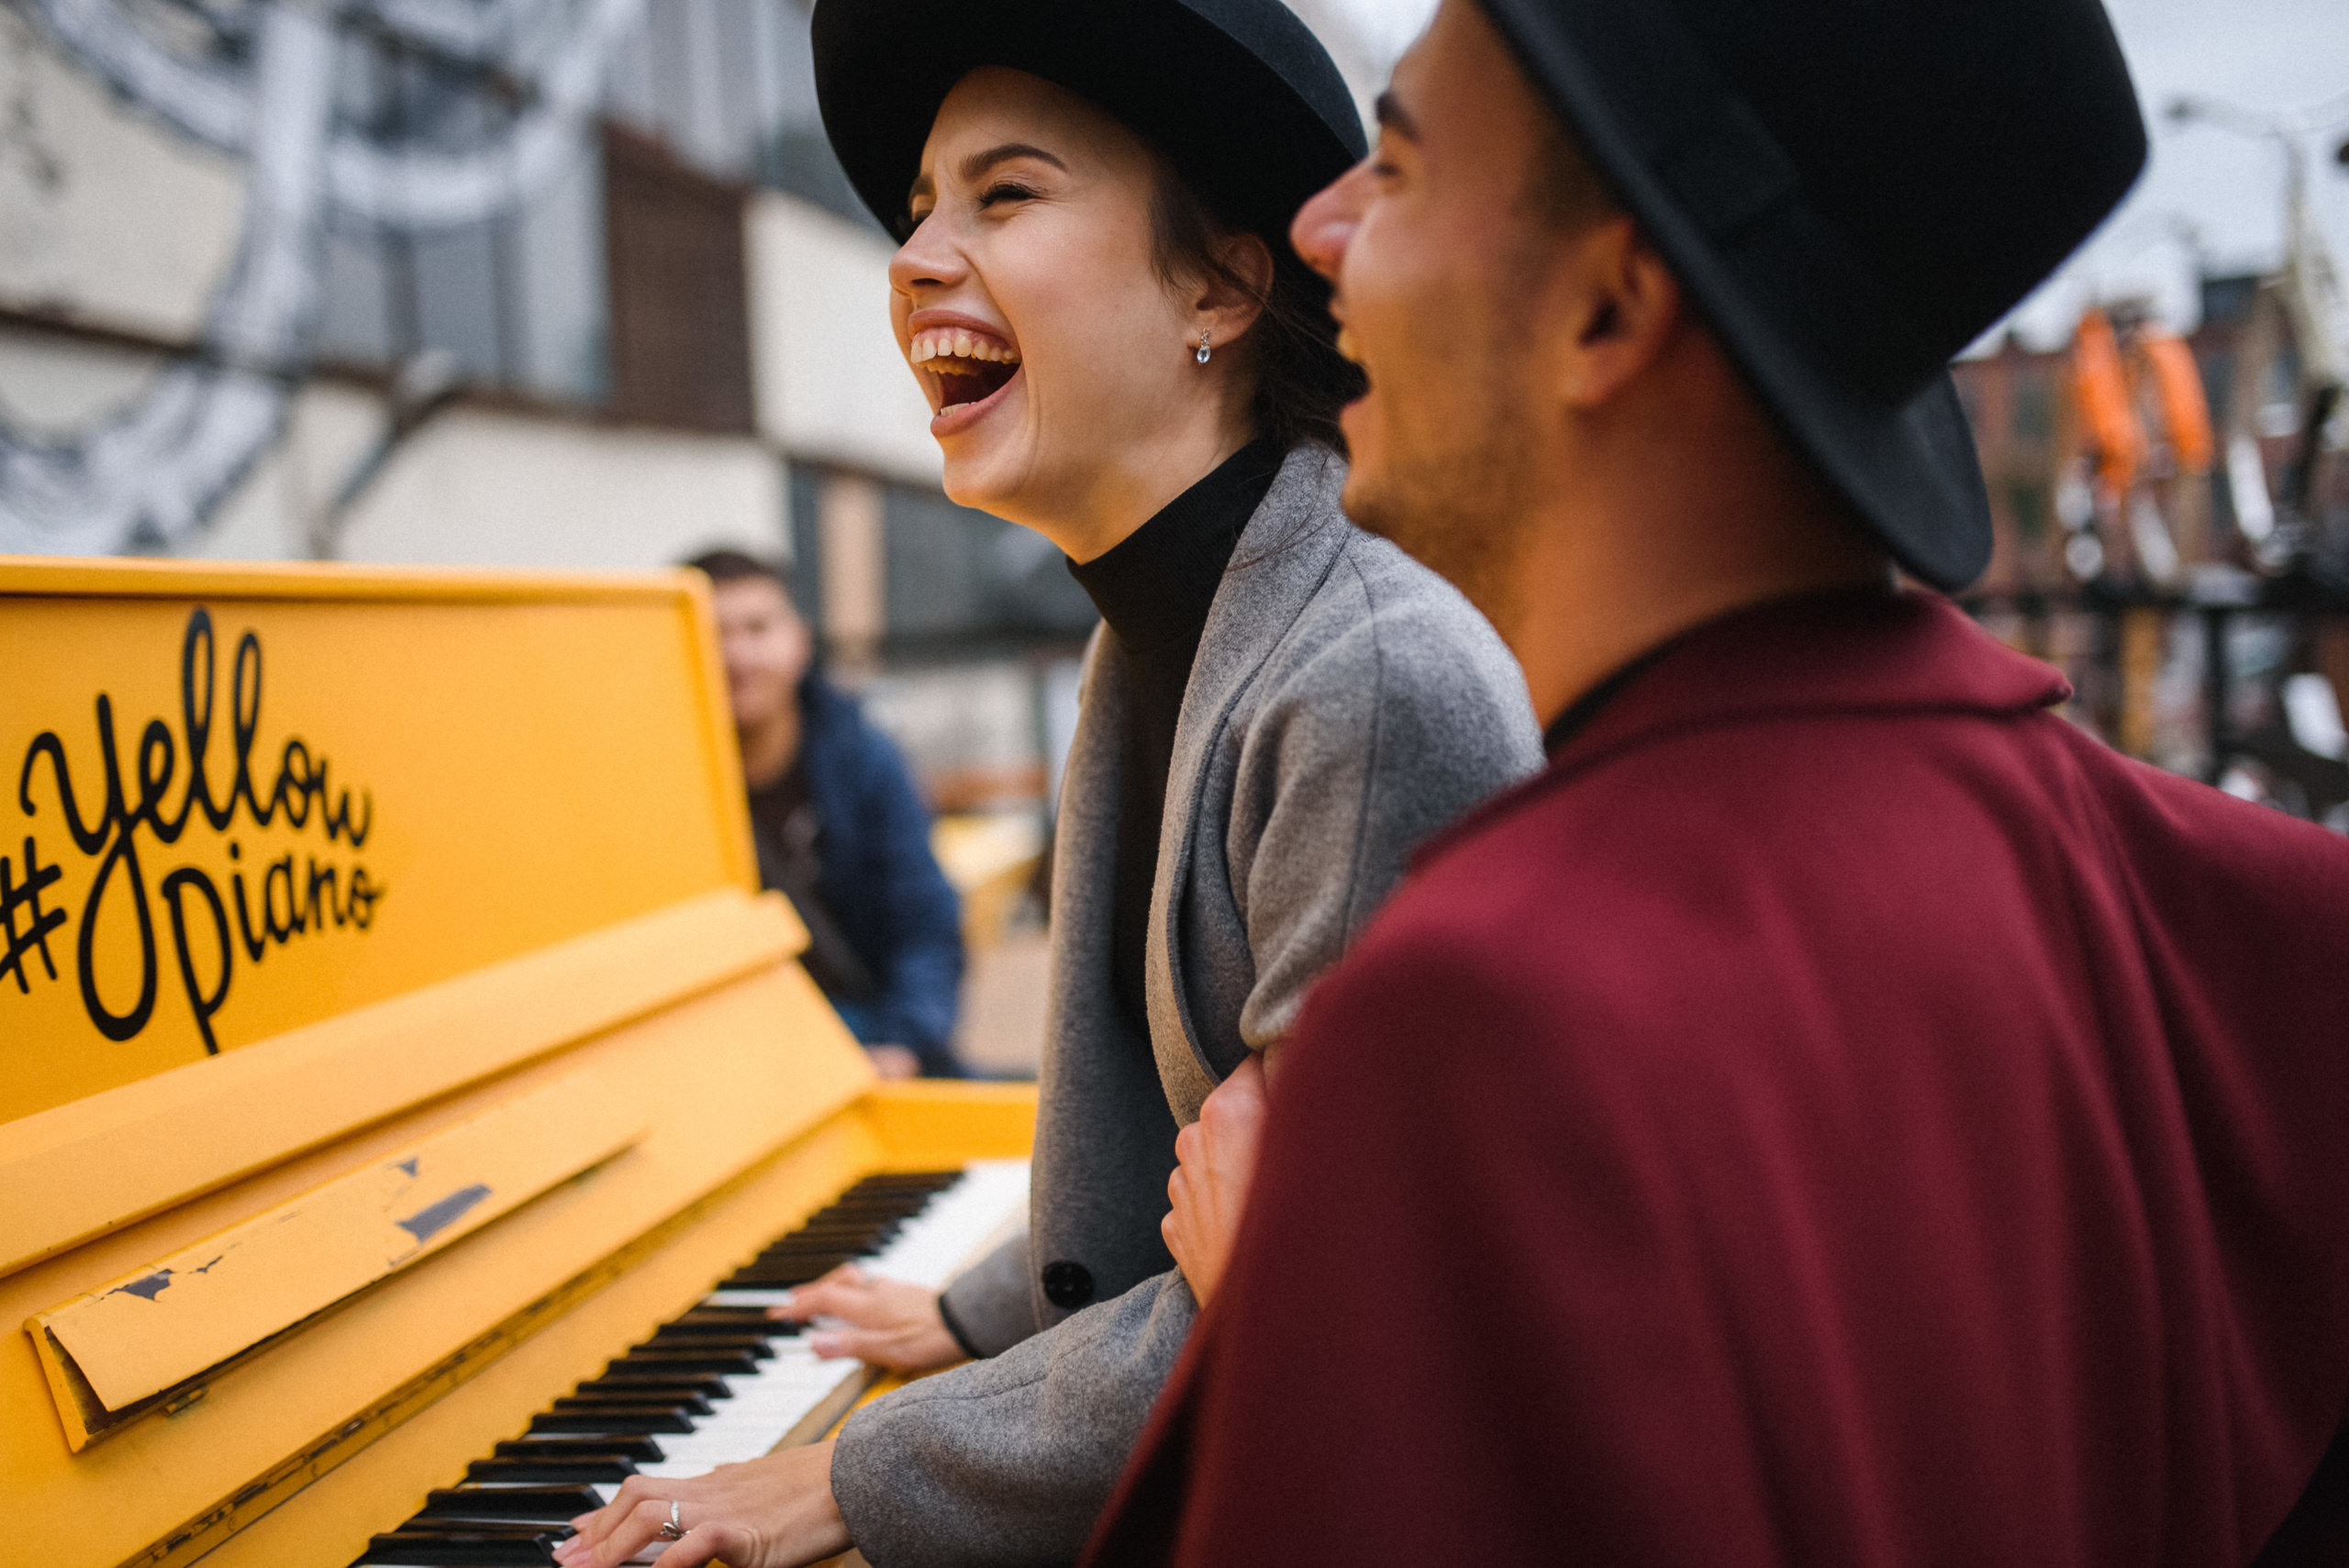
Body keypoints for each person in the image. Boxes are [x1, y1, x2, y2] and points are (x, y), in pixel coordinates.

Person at [1085, 0, 2349, 1563]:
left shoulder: (1481, 1023)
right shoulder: (2238, 906)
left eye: (1396, 172)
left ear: (1610, 310)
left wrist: (1303, 1308)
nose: (1319, 228)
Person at [558, 0, 1541, 1563]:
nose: (913, 259)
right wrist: (972, 1309)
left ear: (1221, 286)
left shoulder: (1367, 674)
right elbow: (1162, 1159)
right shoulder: (1153, 630)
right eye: (917, 210)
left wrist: (849, 1474)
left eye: (1004, 194)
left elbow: (1329, 1292)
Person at [689, 549, 964, 1080]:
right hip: (729, 1058)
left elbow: (924, 921)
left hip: (867, 1037)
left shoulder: (864, 758)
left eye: (757, 628)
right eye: (713, 633)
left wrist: (902, 1042)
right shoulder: (658, 780)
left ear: (800, 642)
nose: (736, 654)